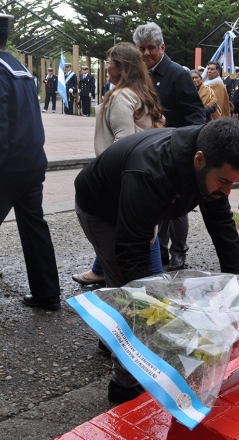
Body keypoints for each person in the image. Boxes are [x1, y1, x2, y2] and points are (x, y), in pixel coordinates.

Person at [74, 118, 239, 403]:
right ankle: (125, 385)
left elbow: (222, 224)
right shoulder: (151, 171)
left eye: (233, 183)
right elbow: (131, 252)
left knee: (154, 292)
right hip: (102, 211)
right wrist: (144, 311)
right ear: (199, 160)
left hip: (143, 210)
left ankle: (112, 338)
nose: (228, 191)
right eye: (224, 181)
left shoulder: (211, 160)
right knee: (135, 292)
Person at [0, 9, 61, 310]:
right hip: (32, 163)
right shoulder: (18, 67)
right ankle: (47, 294)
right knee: (34, 227)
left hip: (7, 168)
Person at [73, 42, 165, 286]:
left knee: (139, 239)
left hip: (125, 180)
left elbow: (124, 144)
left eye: (110, 62)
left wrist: (114, 185)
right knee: (146, 232)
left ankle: (149, 297)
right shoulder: (142, 93)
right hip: (145, 177)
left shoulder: (122, 96)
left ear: (121, 67)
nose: (106, 66)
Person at [133, 22, 206, 271]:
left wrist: (184, 142)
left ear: (162, 47)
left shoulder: (178, 74)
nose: (146, 54)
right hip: (150, 151)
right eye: (141, 49)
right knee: (156, 204)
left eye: (151, 48)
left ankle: (179, 252)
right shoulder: (139, 75)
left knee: (177, 207)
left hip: (176, 149)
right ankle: (159, 251)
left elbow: (197, 115)